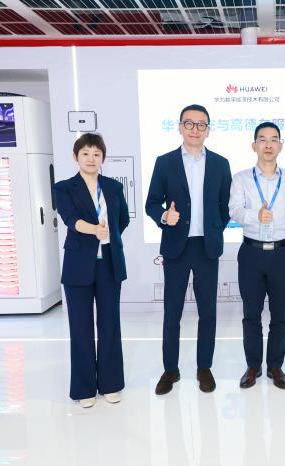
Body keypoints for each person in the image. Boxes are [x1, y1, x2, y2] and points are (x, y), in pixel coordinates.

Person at [145, 104, 232, 394]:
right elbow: (151, 203)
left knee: (208, 312)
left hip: (206, 247)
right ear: (180, 127)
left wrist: (215, 227)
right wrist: (164, 216)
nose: (195, 129)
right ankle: (170, 370)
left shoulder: (220, 163)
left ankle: (204, 367)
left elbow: (225, 206)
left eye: (201, 124)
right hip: (176, 248)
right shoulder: (165, 162)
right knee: (173, 313)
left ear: (208, 130)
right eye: (189, 123)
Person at [54, 133, 129, 408]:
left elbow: (122, 219)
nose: (91, 158)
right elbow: (70, 219)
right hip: (78, 265)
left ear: (102, 158)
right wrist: (94, 230)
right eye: (85, 153)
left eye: (96, 154)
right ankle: (84, 388)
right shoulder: (64, 188)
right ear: (76, 156)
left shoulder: (113, 187)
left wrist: (108, 237)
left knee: (110, 326)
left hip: (108, 263)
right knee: (80, 328)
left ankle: (111, 383)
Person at [229, 122, 285, 389]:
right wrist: (255, 216)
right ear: (254, 145)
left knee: (280, 313)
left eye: (273, 139)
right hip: (251, 253)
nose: (268, 144)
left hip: (281, 253)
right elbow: (234, 210)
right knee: (251, 314)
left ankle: (276, 366)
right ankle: (253, 366)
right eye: (262, 139)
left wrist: (282, 229)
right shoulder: (241, 178)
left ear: (280, 145)